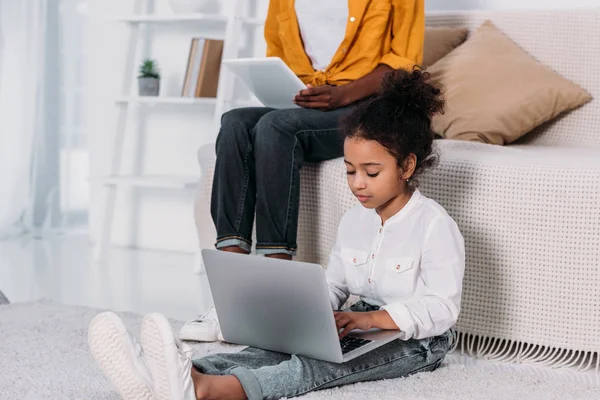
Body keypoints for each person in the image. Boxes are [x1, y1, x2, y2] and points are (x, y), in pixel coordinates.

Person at [88, 69, 466, 400]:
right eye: (350, 170)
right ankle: (180, 374)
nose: (357, 184)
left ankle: (213, 392)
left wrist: (374, 320)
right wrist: (304, 311)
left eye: (371, 171)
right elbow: (334, 285)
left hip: (417, 341)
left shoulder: (433, 225)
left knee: (319, 367)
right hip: (357, 322)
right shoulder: (355, 220)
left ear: (407, 166)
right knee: (268, 350)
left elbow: (443, 309)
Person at [183, 0, 426, 343]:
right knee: (235, 122)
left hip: (368, 105)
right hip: (308, 103)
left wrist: (342, 95)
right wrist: (289, 88)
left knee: (275, 127)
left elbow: (404, 66)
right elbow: (276, 55)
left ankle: (278, 292)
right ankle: (231, 301)